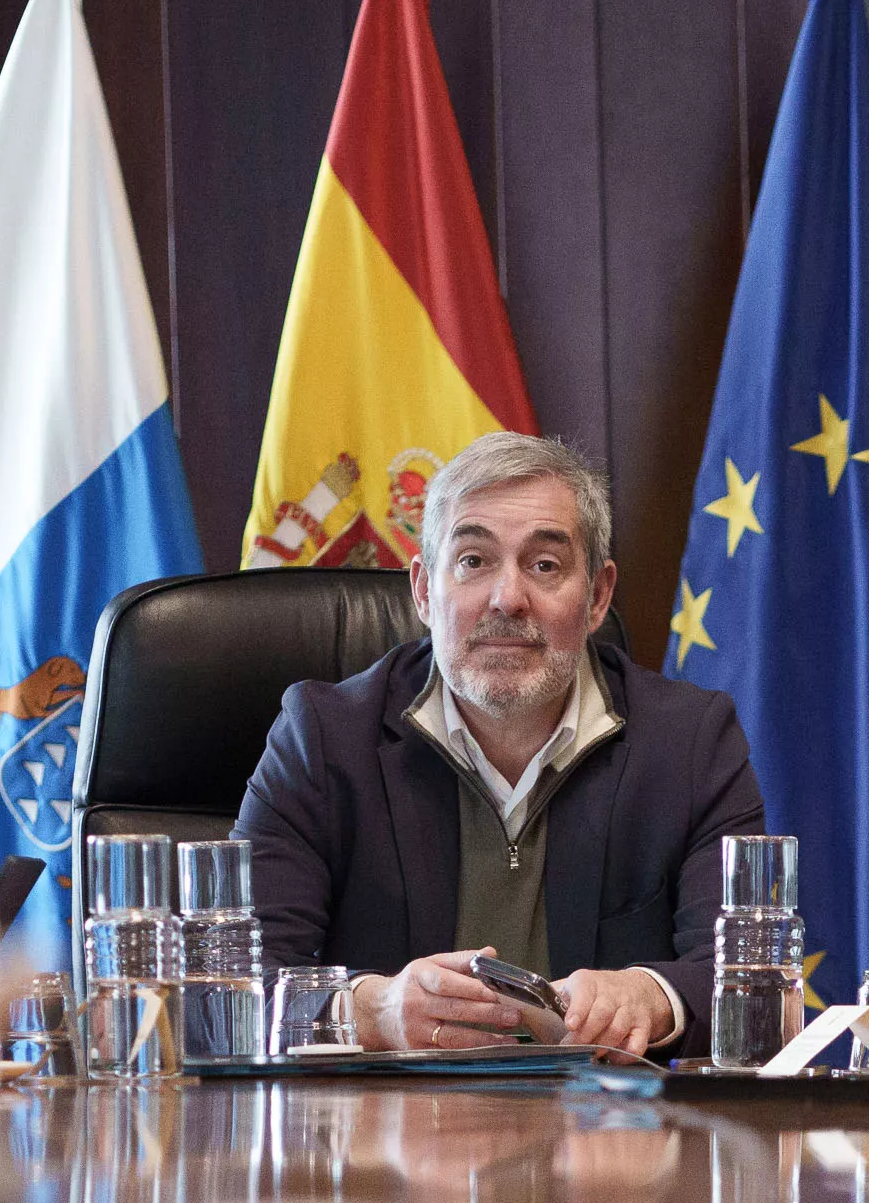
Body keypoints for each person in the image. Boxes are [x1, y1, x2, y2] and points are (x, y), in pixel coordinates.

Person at [237, 431, 763, 1056]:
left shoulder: (691, 742)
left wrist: (651, 993)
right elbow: (224, 989)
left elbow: (753, 983)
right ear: (424, 591)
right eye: (473, 561)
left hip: (608, 1137)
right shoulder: (323, 738)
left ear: (596, 596)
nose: (507, 599)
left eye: (544, 565)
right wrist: (371, 1011)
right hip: (381, 1139)